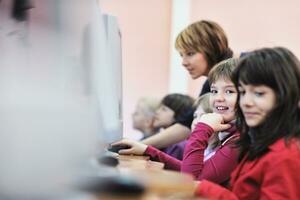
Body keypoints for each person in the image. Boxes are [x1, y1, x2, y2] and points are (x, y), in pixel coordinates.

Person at [113, 58, 240, 184]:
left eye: (229, 91)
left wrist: (202, 128)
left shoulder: (238, 141)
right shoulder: (230, 136)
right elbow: (189, 169)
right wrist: (148, 150)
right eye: (214, 91)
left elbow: (191, 179)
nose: (218, 98)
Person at [196, 47, 300, 199]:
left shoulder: (285, 155)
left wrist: (204, 189)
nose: (246, 102)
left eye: (258, 93)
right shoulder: (258, 142)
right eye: (243, 92)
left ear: (284, 95)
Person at [141, 20, 234, 149]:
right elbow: (186, 123)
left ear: (211, 48)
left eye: (190, 54)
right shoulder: (210, 83)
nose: (184, 62)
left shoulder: (237, 72)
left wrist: (142, 145)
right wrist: (141, 146)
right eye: (181, 55)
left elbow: (185, 125)